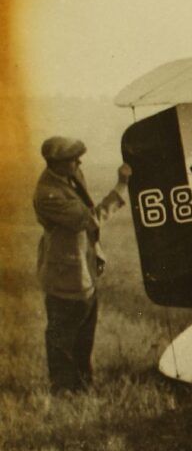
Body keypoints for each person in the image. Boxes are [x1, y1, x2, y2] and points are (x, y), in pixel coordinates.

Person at [33, 136, 132, 393]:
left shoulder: (71, 176)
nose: (79, 161)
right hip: (66, 277)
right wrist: (121, 186)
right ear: (56, 163)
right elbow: (90, 219)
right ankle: (63, 391)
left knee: (83, 334)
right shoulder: (48, 194)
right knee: (62, 338)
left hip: (82, 271)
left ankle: (83, 386)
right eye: (73, 159)